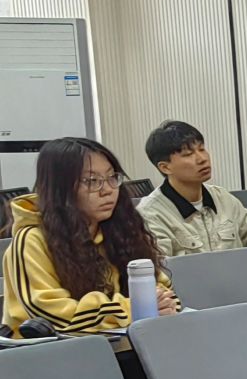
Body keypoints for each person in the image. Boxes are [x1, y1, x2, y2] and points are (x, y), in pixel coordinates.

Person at [4, 137, 177, 336]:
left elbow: (164, 290)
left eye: (112, 177)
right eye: (92, 181)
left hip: (122, 342)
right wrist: (134, 309)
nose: (108, 190)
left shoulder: (119, 229)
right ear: (61, 188)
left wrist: (164, 305)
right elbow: (51, 316)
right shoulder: (31, 240)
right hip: (50, 349)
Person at [135, 119, 247, 257]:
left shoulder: (223, 198)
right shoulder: (151, 214)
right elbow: (159, 267)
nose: (202, 159)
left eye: (201, 149)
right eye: (188, 154)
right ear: (165, 167)